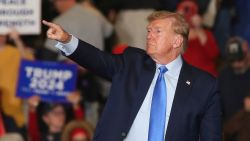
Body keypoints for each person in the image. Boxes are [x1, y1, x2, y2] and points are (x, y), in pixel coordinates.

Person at [42, 11, 222, 141]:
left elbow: (211, 136)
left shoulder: (204, 85)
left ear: (177, 41)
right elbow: (98, 59)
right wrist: (66, 39)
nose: (150, 36)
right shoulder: (132, 63)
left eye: (157, 31)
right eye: (149, 31)